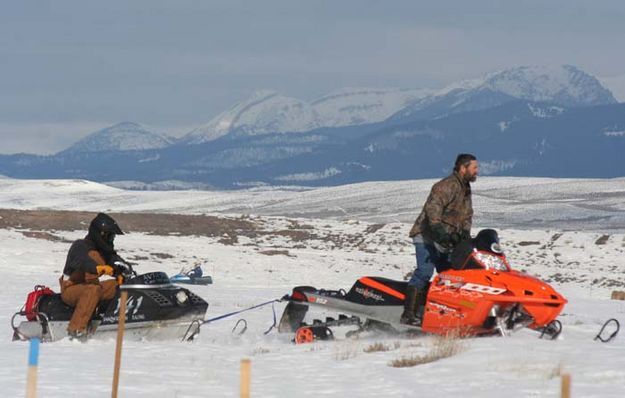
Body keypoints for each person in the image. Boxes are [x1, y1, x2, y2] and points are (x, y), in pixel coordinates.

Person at [402, 154, 479, 325]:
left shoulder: (465, 188)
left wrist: (465, 235)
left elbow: (467, 214)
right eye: (474, 168)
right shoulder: (446, 186)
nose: (477, 171)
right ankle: (408, 315)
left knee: (451, 276)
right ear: (463, 168)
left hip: (446, 241)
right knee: (424, 272)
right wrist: (439, 231)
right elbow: (433, 210)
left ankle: (443, 312)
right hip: (427, 236)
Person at [60, 213, 125, 340]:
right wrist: (98, 268)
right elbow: (82, 261)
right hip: (71, 288)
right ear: (100, 234)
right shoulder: (80, 246)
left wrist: (123, 270)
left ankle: (119, 320)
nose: (111, 240)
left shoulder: (105, 252)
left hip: (92, 285)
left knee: (121, 286)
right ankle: (76, 331)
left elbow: (116, 260)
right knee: (92, 290)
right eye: (110, 236)